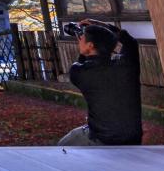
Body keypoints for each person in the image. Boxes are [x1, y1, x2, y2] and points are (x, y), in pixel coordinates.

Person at [58, 19, 142, 147]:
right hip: (133, 138)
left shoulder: (79, 72)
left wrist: (84, 50)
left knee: (62, 146)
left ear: (90, 46)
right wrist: (100, 25)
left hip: (102, 138)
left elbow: (82, 64)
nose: (79, 40)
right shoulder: (127, 65)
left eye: (82, 39)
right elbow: (131, 42)